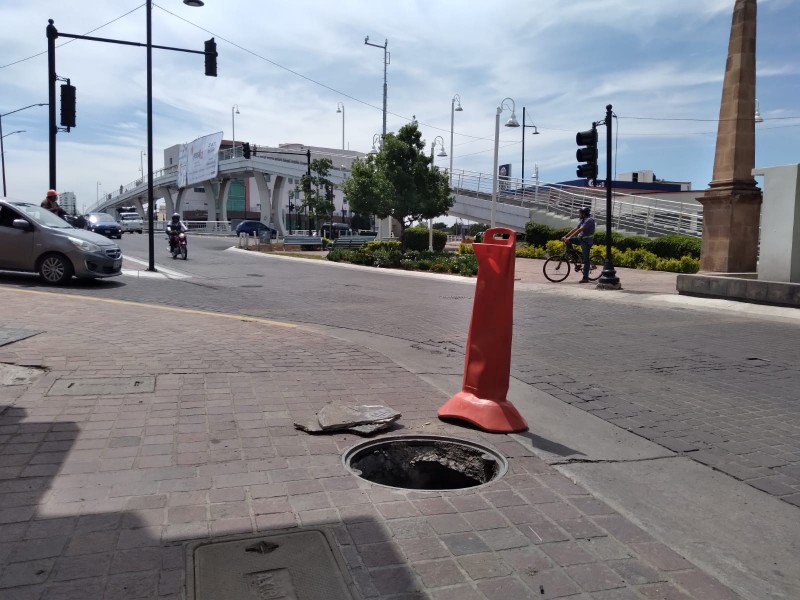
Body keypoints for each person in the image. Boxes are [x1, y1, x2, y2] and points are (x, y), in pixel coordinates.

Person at [562, 206, 596, 283]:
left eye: (580, 213)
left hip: (586, 242)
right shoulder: (583, 220)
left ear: (584, 214)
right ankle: (575, 257)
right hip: (580, 239)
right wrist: (566, 236)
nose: (579, 214)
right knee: (569, 241)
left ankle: (585, 278)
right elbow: (576, 228)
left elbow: (580, 229)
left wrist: (569, 237)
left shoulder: (589, 220)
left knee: (586, 260)